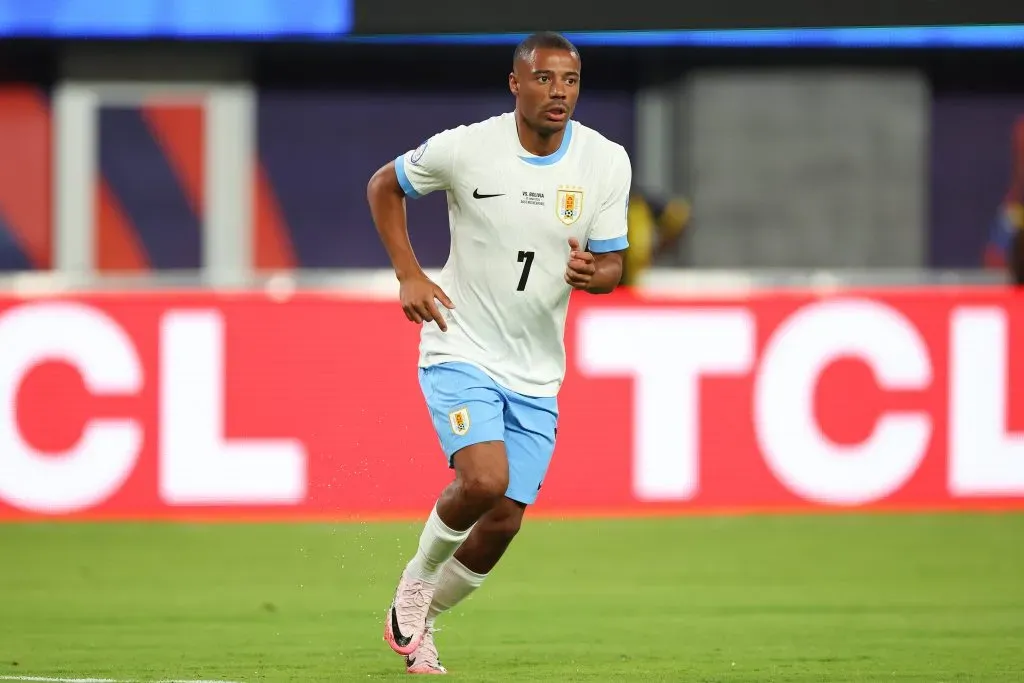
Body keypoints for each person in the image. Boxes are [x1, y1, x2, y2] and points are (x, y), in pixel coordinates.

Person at [365, 31, 631, 675]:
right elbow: (384, 186)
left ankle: (421, 620)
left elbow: (615, 266)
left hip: (538, 369)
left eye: (569, 80)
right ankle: (415, 583)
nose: (558, 92)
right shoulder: (467, 147)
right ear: (516, 83)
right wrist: (409, 272)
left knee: (505, 519)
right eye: (543, 79)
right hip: (461, 343)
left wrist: (593, 273)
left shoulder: (605, 161)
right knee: (485, 480)